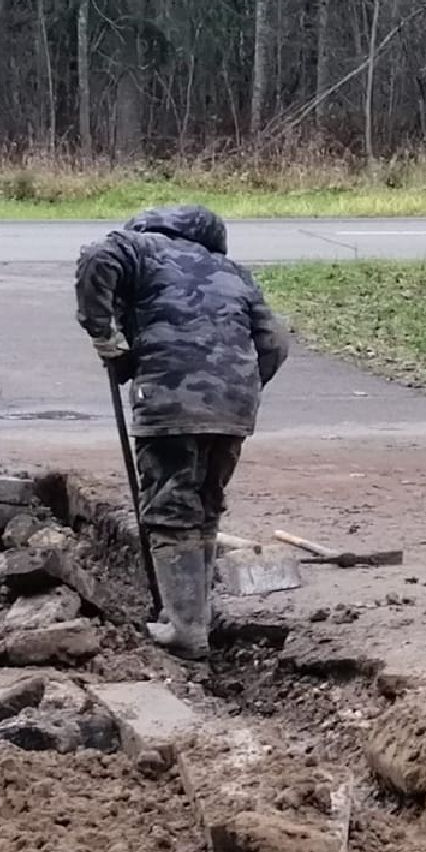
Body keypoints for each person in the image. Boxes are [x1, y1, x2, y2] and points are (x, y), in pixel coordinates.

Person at [74, 205, 291, 658]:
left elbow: (97, 257)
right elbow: (275, 339)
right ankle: (196, 619)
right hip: (234, 408)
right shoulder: (233, 271)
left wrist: (106, 340)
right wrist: (240, 384)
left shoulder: (144, 246)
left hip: (169, 401)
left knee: (171, 508)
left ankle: (184, 629)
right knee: (205, 504)